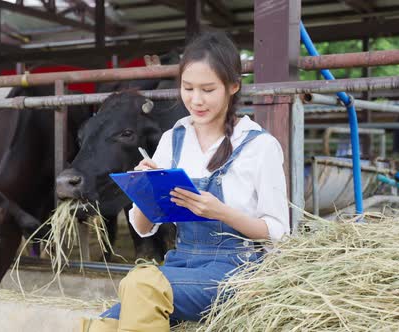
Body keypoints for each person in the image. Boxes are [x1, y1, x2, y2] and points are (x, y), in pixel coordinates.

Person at [78, 31, 290, 332]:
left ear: (233, 86)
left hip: (238, 269)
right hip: (181, 263)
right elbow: (142, 226)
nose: (195, 100)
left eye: (207, 89)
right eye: (188, 88)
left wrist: (220, 212)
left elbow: (279, 233)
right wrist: (145, 188)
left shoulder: (259, 145)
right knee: (100, 324)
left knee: (141, 285)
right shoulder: (173, 139)